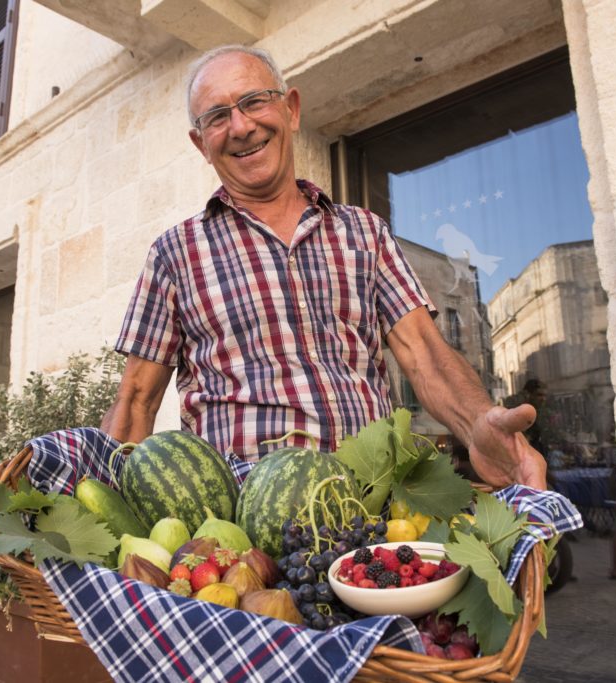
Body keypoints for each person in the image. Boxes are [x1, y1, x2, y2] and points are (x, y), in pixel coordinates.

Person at [99, 45, 546, 490]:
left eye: (254, 101)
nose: (240, 126)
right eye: (216, 116)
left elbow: (424, 353)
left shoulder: (365, 232)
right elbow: (138, 399)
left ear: (291, 110)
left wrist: (477, 424)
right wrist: (101, 500)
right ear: (201, 144)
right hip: (239, 527)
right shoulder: (175, 253)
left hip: (369, 511)